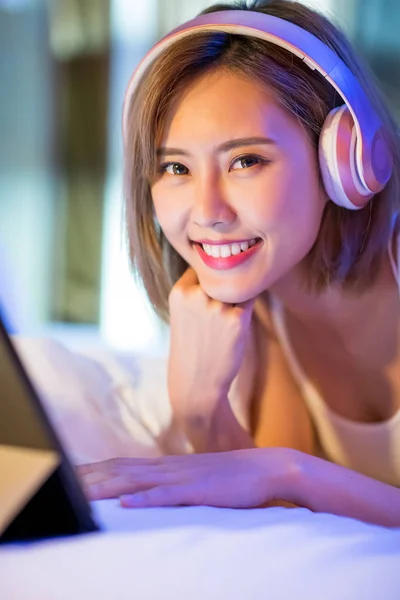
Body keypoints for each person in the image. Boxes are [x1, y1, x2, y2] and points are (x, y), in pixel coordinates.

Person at [78, 0, 400, 527]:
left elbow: (282, 479)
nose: (208, 213)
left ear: (346, 157)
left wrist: (292, 472)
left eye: (245, 161)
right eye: (176, 167)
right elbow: (279, 514)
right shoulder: (264, 303)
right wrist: (201, 408)